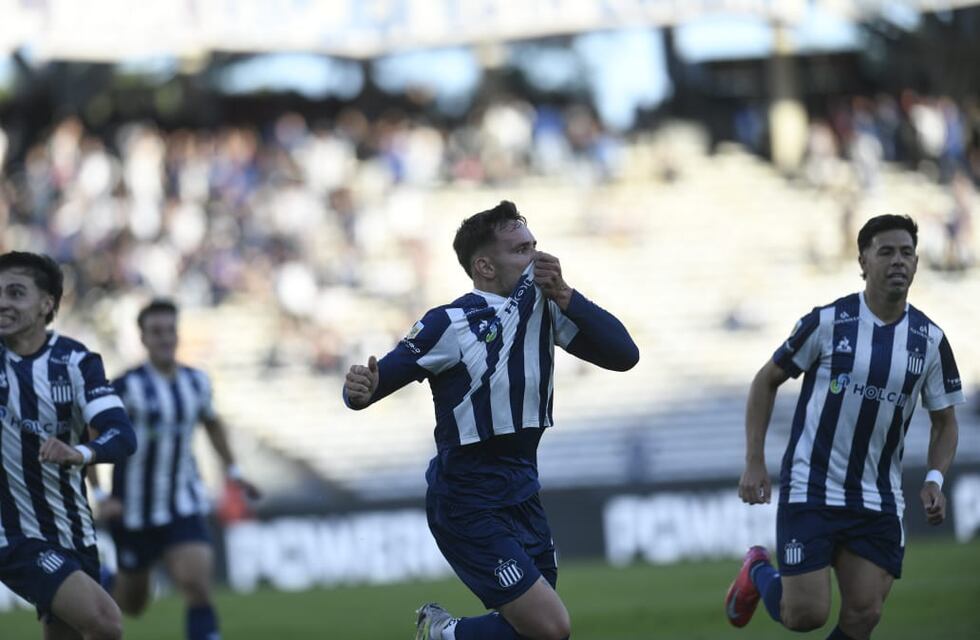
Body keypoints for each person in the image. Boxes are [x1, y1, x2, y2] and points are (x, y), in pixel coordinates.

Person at [344, 201, 638, 640]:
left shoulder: (546, 307)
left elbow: (624, 356)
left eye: (534, 246)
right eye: (520, 250)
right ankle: (443, 634)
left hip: (523, 489)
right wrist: (360, 390)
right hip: (467, 497)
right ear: (484, 265)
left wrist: (567, 295)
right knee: (552, 627)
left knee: (526, 632)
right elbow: (375, 383)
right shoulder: (449, 323)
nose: (535, 258)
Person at [725, 214, 964, 639]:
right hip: (813, 487)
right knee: (806, 616)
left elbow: (944, 422)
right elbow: (766, 381)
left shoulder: (929, 340)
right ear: (863, 261)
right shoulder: (829, 322)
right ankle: (758, 570)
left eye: (906, 253)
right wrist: (754, 461)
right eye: (886, 252)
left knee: (864, 614)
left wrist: (934, 477)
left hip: (877, 496)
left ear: (916, 262)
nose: (898, 261)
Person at [89, 299, 259, 640]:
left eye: (170, 331)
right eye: (156, 332)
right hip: (133, 510)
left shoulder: (196, 382)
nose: (165, 338)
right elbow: (91, 436)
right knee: (132, 604)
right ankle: (103, 583)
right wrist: (100, 493)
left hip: (183, 503)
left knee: (197, 585)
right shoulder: (124, 387)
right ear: (143, 338)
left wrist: (234, 471)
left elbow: (212, 424)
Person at [0, 251, 137, 639]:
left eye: (15, 292)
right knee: (106, 623)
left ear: (47, 304)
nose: (2, 302)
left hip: (74, 531)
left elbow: (121, 435)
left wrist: (80, 453)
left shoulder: (76, 361)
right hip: (14, 534)